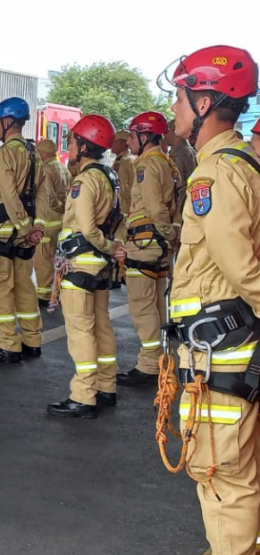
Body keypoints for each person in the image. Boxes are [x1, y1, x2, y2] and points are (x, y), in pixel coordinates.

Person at [164, 45, 260, 555]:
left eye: (180, 97)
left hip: (221, 348)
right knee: (240, 471)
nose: (174, 109)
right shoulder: (249, 162)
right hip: (239, 347)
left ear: (203, 101)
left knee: (221, 474)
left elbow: (240, 266)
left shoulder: (214, 174)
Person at [47, 114, 124, 418]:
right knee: (102, 327)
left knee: (81, 332)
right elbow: (117, 219)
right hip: (100, 268)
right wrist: (110, 248)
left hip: (80, 265)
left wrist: (108, 246)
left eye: (72, 140)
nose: (69, 145)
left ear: (83, 144)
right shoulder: (109, 177)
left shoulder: (85, 180)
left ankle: (83, 396)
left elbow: (88, 229)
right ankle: (107, 387)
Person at [0, 97, 45, 365]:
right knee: (26, 287)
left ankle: (9, 345)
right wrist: (35, 226)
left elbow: (7, 194)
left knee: (2, 290)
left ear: (7, 122)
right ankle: (32, 340)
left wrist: (23, 226)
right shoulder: (34, 153)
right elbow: (42, 192)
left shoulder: (3, 154)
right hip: (25, 233)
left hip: (6, 231)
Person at [116, 112, 176, 388]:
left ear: (145, 136)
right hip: (156, 244)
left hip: (145, 244)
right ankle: (160, 360)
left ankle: (149, 365)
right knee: (156, 306)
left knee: (142, 307)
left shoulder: (148, 165)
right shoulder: (164, 162)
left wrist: (165, 235)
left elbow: (154, 207)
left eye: (131, 135)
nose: (128, 141)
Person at [33, 139, 69, 305]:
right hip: (60, 222)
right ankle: (57, 291)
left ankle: (44, 295)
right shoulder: (63, 168)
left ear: (44, 153)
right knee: (57, 259)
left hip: (47, 221)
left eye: (38, 152)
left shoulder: (46, 169)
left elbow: (48, 196)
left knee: (43, 260)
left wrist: (57, 206)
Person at [111, 130, 136, 288]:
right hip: (127, 210)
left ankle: (118, 276)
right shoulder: (128, 159)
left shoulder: (124, 162)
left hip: (124, 211)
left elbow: (124, 189)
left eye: (115, 141)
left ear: (122, 143)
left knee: (119, 242)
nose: (111, 144)